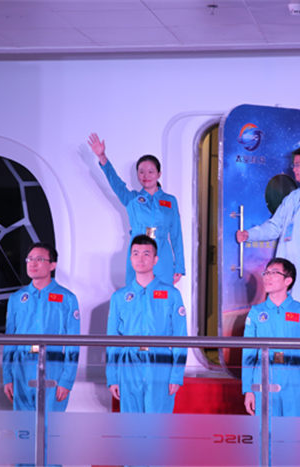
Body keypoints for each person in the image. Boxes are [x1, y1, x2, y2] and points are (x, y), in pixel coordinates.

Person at [236, 146, 300, 384]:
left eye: (298, 164)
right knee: (292, 319)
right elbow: (275, 226)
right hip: (290, 270)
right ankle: (294, 370)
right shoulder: (292, 198)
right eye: (294, 164)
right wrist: (249, 234)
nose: (294, 169)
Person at [88, 133, 185, 285]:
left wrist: (179, 265)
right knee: (137, 294)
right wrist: (102, 157)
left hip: (162, 255)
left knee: (161, 295)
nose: (146, 176)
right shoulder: (132, 199)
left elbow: (176, 234)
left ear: (159, 174)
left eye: (151, 172)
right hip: (138, 254)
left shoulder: (170, 201)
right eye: (141, 172)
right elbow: (116, 183)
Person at [106, 235, 187, 413]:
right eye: (136, 253)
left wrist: (176, 375)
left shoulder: (171, 294)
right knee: (131, 424)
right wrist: (112, 377)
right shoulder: (119, 297)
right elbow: (112, 340)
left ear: (155, 259)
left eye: (146, 254)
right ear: (130, 258)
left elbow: (181, 337)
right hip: (128, 365)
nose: (140, 259)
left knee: (158, 423)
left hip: (161, 364)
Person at [2, 242, 80, 411]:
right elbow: (9, 340)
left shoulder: (67, 298)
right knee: (23, 424)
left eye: (39, 259)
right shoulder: (17, 298)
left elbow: (73, 343)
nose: (33, 263)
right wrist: (7, 376)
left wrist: (67, 380)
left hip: (52, 365)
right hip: (21, 366)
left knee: (51, 423)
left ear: (52, 265)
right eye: (29, 259)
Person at [242, 258, 300, 417]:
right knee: (265, 430)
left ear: (288, 281)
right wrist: (248, 389)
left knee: (293, 430)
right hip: (263, 379)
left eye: (274, 273)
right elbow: (248, 353)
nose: (267, 277)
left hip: (295, 381)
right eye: (266, 273)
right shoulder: (256, 312)